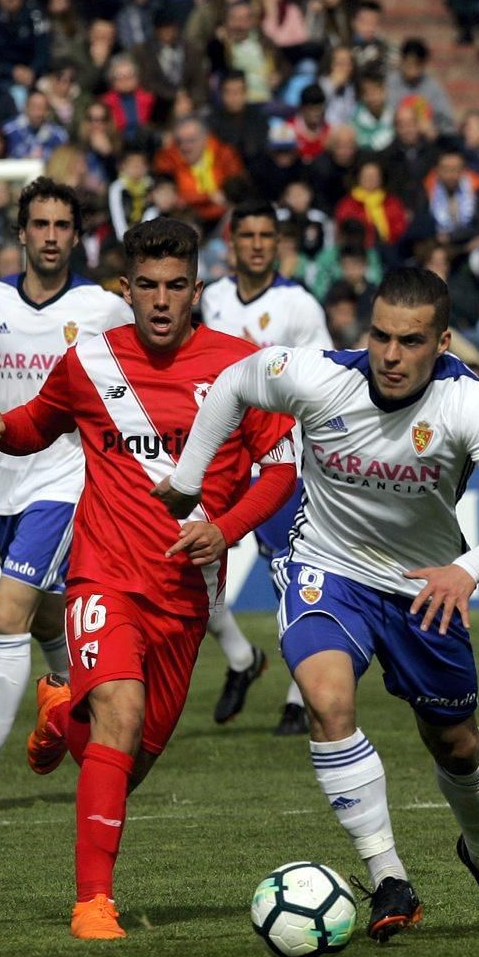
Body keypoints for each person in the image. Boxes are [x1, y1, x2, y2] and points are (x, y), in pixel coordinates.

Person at [157, 266, 479, 940]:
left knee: (456, 745)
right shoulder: (318, 376)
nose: (392, 355)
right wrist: (188, 478)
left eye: (411, 341)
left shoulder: (469, 404)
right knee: (326, 700)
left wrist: (465, 570)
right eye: (380, 336)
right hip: (327, 568)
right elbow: (233, 383)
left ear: (443, 342)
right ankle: (388, 876)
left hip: (423, 586)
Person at [0, 218, 297, 939]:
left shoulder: (242, 366)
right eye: (148, 287)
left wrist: (226, 530)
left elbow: (282, 468)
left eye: (177, 287)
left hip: (186, 600)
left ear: (197, 289)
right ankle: (93, 905)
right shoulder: (90, 363)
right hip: (103, 575)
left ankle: (59, 711)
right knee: (120, 715)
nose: (163, 301)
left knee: (124, 759)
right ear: (126, 289)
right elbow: (36, 425)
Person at [0, 178, 134, 811]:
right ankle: (76, 706)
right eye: (39, 225)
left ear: (77, 235)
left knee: (7, 612)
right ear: (21, 233)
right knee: (45, 617)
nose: (49, 236)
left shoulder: (103, 308)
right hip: (4, 483)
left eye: (61, 226)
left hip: (68, 482)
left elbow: (151, 363)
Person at [200, 201, 332, 734]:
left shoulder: (297, 305)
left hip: (279, 454)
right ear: (231, 242)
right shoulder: (208, 300)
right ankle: (241, 658)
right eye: (246, 234)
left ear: (277, 243)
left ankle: (301, 698)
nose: (256, 244)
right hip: (219, 454)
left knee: (289, 576)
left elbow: (322, 380)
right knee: (190, 569)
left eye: (265, 235)